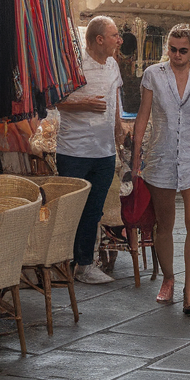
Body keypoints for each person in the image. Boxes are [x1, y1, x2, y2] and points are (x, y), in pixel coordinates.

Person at [132, 23, 190, 316]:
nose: (177, 55)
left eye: (183, 50)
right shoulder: (153, 75)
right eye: (172, 49)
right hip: (161, 155)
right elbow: (143, 115)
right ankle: (169, 277)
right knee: (164, 224)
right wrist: (135, 157)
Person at [55, 15, 123, 285]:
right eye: (115, 35)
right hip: (74, 150)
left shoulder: (113, 66)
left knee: (94, 210)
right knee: (70, 209)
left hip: (104, 151)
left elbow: (115, 97)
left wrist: (119, 127)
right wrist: (82, 104)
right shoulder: (75, 65)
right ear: (99, 39)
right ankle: (63, 263)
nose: (119, 40)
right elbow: (56, 101)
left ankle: (85, 264)